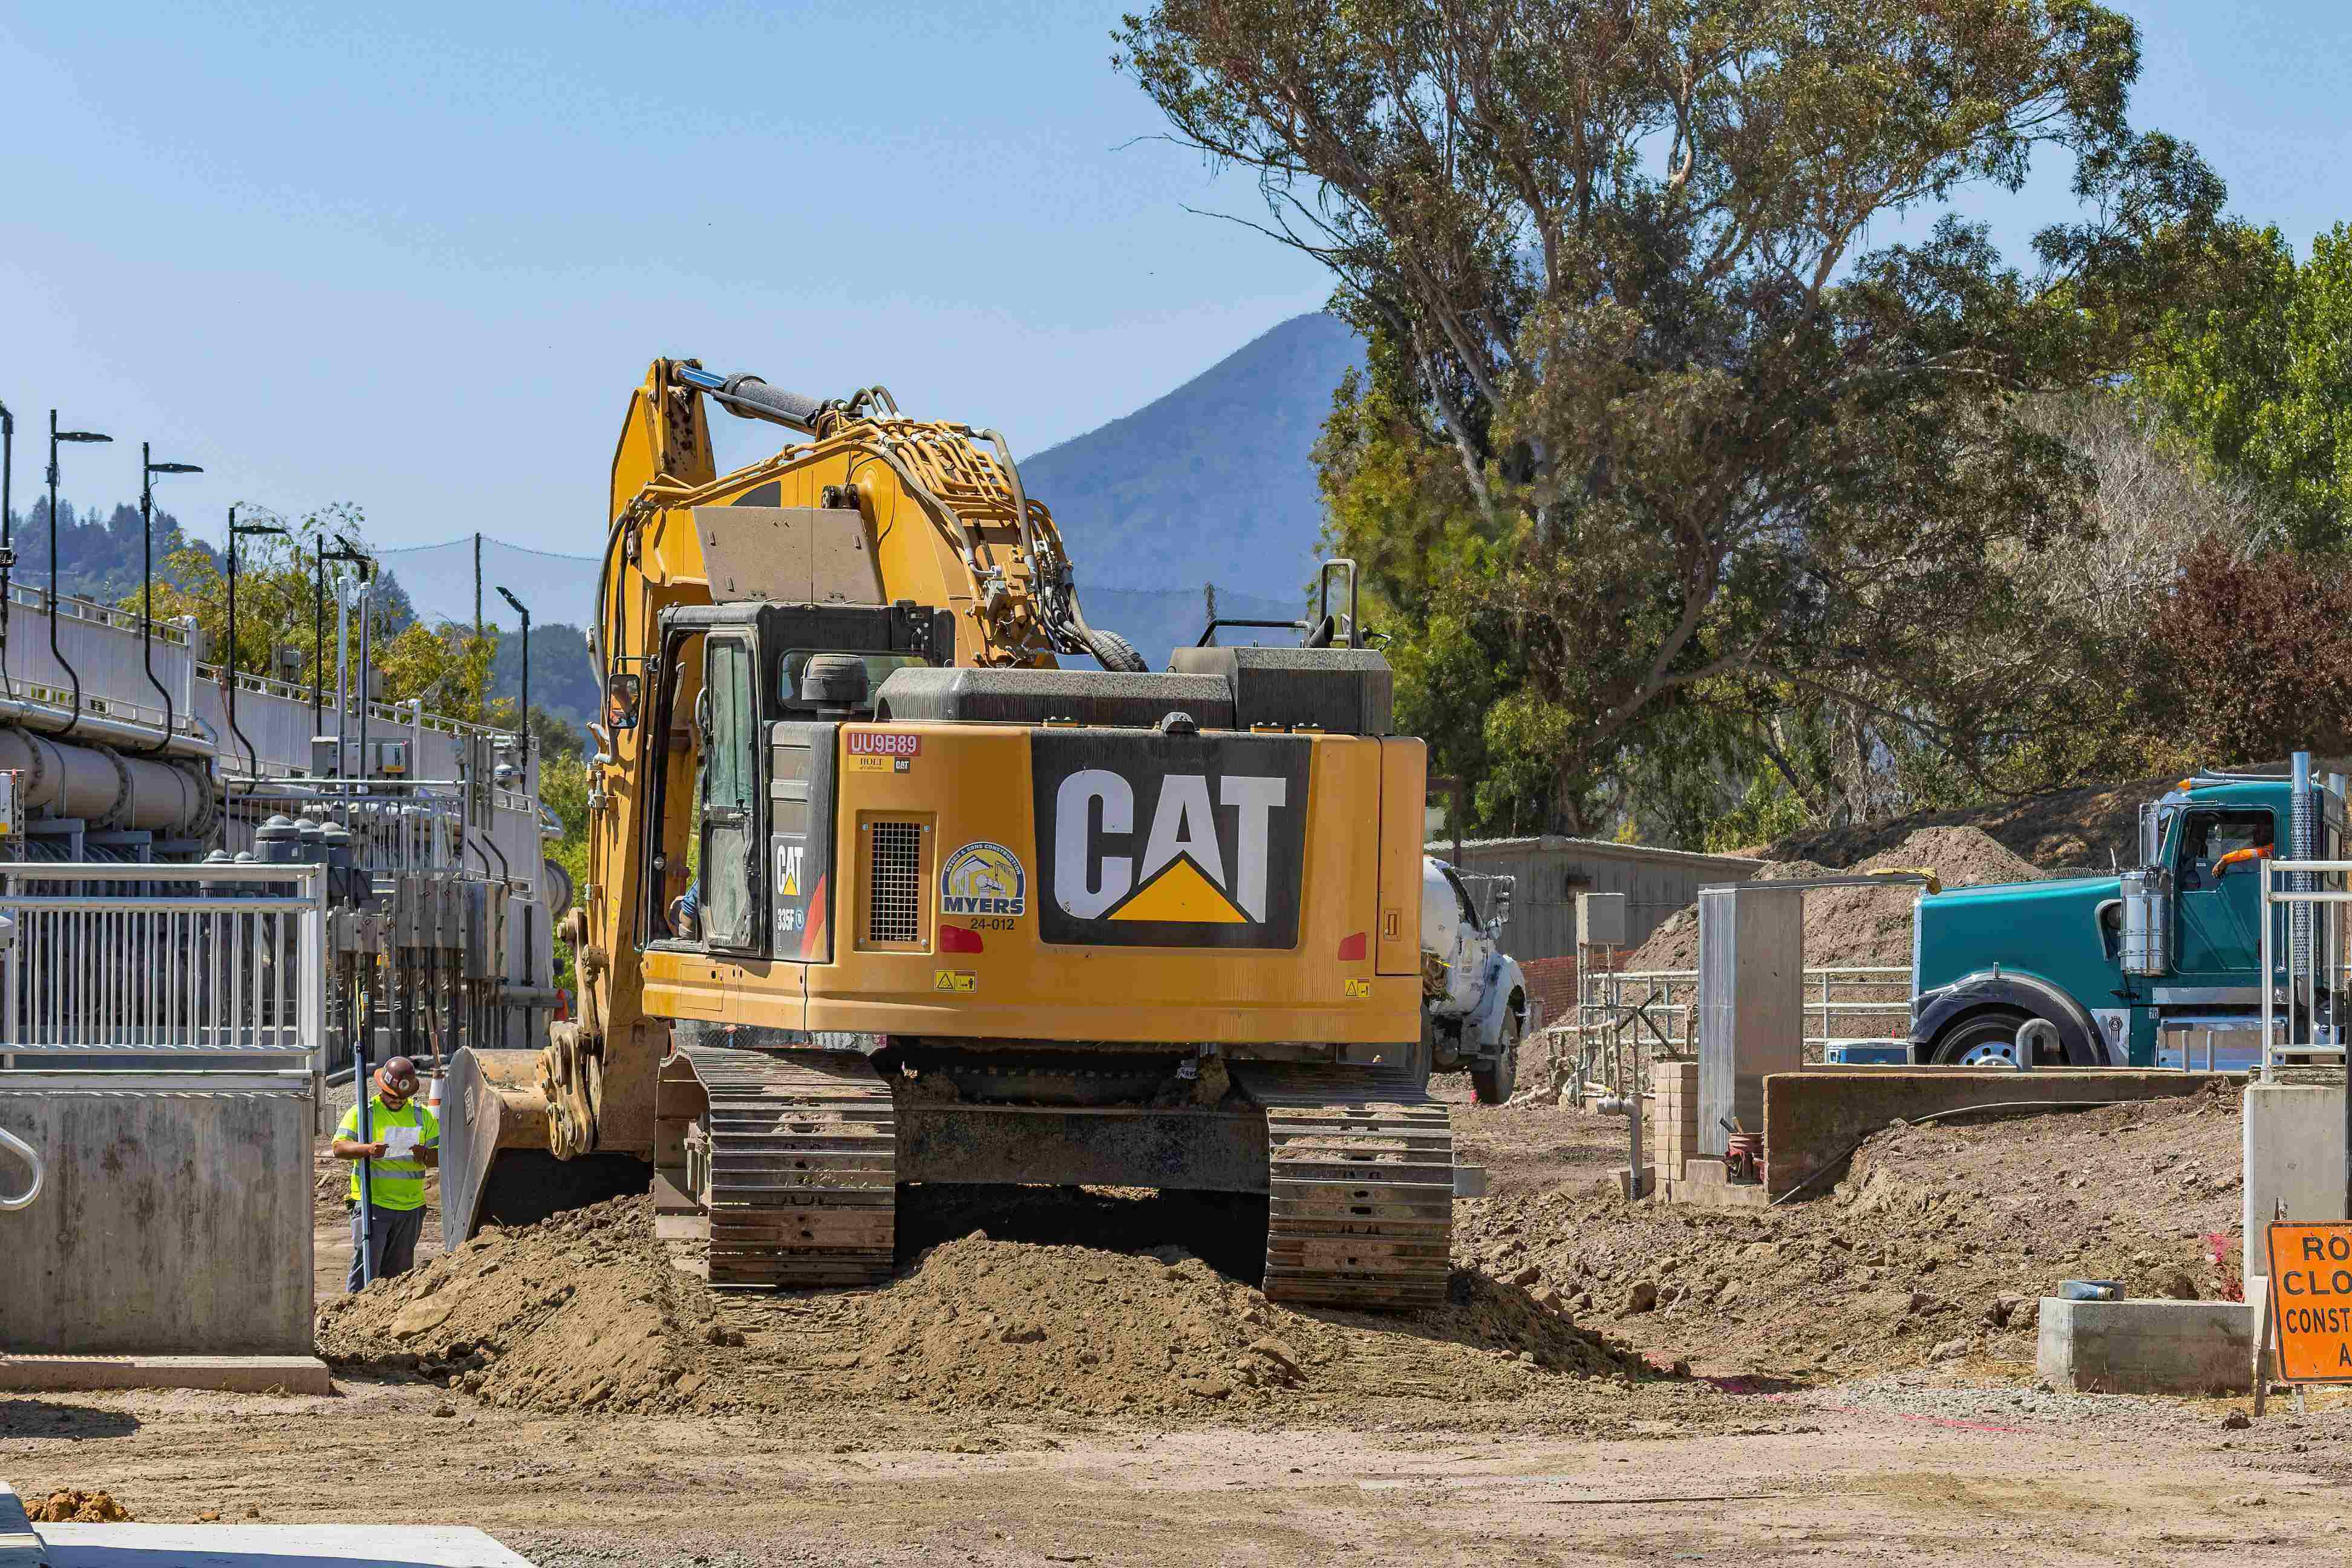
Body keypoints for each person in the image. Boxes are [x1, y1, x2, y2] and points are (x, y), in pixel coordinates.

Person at [332, 1055, 439, 1291]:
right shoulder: (363, 1113)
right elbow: (339, 1148)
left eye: (400, 1098)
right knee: (366, 1269)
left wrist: (425, 1154)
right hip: (373, 1205)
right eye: (390, 1096)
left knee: (398, 1278)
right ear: (381, 1087)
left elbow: (442, 1157)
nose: (395, 1101)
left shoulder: (422, 1116)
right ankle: (355, 1317)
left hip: (410, 1209)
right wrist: (367, 1150)